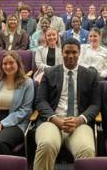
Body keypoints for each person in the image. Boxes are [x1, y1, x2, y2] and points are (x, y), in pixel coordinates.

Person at [33, 38, 101, 170]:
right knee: (46, 144)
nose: (70, 56)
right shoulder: (49, 73)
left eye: (74, 52)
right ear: (61, 53)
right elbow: (40, 101)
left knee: (87, 150)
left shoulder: (91, 75)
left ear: (79, 53)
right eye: (67, 52)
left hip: (79, 123)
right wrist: (56, 119)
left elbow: (95, 104)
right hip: (52, 121)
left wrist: (79, 120)